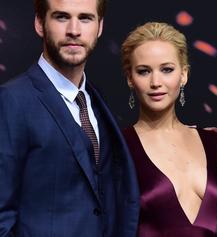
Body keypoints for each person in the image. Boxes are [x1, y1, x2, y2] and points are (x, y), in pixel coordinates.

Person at [0, 0, 139, 236]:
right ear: (39, 23)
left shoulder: (96, 102)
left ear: (100, 27)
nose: (74, 30)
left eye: (85, 18)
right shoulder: (11, 101)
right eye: (62, 17)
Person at [121, 22, 217, 236]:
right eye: (144, 71)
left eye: (167, 69)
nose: (156, 82)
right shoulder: (117, 148)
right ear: (130, 79)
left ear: (184, 75)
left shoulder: (215, 144)